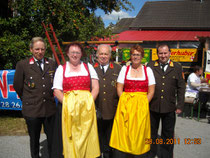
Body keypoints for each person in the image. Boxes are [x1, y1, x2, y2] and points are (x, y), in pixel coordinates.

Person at [53, 43, 100, 158]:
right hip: (68, 109)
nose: (75, 55)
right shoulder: (61, 69)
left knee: (87, 134)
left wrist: (88, 103)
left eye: (77, 52)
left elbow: (96, 87)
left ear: (81, 54)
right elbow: (57, 90)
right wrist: (68, 104)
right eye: (72, 52)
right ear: (68, 54)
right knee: (71, 136)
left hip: (86, 109)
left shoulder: (88, 67)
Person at [13, 37, 56, 158]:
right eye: (37, 49)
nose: (40, 52)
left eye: (42, 49)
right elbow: (18, 86)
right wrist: (27, 99)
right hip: (32, 109)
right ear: (31, 49)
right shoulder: (23, 65)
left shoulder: (51, 63)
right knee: (34, 140)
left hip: (49, 109)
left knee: (53, 139)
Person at [109, 44, 156, 157]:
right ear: (131, 56)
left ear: (142, 56)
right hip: (125, 105)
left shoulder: (148, 70)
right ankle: (124, 151)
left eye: (138, 55)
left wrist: (143, 104)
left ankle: (138, 152)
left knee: (139, 132)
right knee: (124, 131)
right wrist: (125, 102)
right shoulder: (125, 69)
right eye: (133, 54)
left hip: (141, 106)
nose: (135, 57)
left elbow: (151, 91)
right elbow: (119, 88)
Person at [147, 44, 185, 158]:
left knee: (167, 135)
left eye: (165, 53)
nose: (163, 56)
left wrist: (180, 105)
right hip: (153, 106)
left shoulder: (177, 67)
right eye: (160, 53)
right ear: (157, 54)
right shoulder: (150, 66)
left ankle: (166, 155)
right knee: (151, 134)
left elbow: (181, 88)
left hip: (169, 106)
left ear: (170, 53)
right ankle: (150, 153)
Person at [93, 44, 121, 158]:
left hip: (112, 110)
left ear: (110, 55)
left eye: (106, 54)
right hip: (96, 110)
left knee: (111, 139)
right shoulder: (91, 69)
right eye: (101, 54)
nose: (103, 56)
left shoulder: (118, 69)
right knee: (98, 138)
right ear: (97, 55)